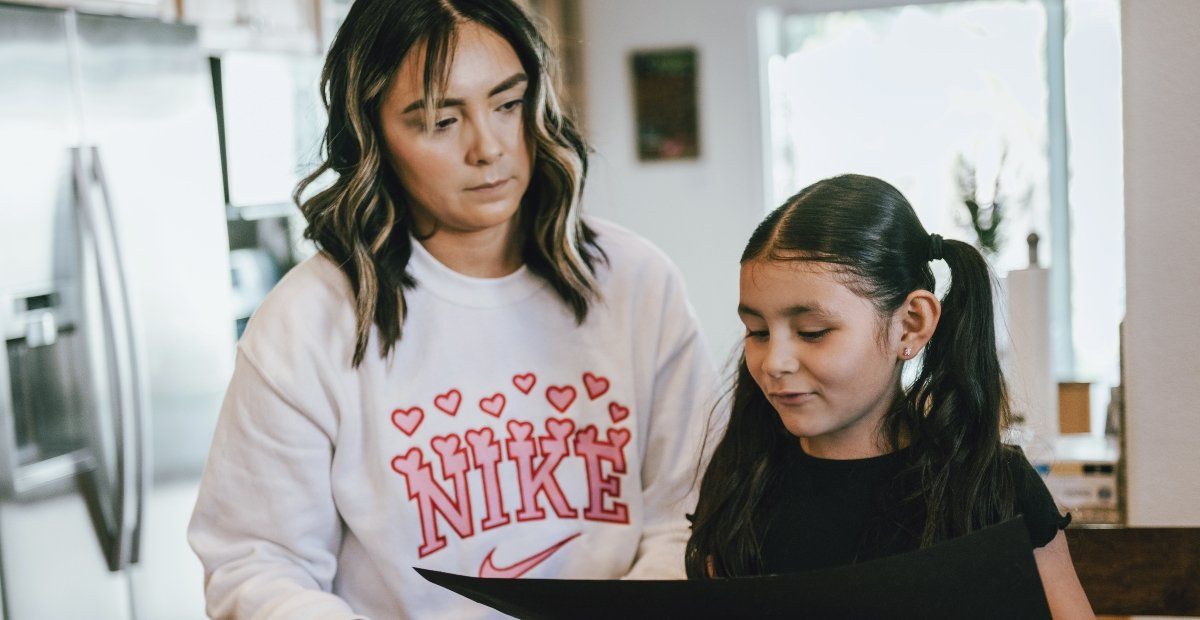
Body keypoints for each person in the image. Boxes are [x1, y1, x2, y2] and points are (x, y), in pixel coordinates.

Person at [187, 1, 717, 617]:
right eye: (441, 121)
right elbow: (257, 564)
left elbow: (690, 515)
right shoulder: (307, 323)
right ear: (372, 135)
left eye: (507, 104)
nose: (488, 147)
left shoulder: (635, 282)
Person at [685, 174, 1094, 617]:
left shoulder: (990, 487)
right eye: (758, 332)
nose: (774, 362)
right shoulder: (741, 485)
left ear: (911, 324)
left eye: (813, 332)